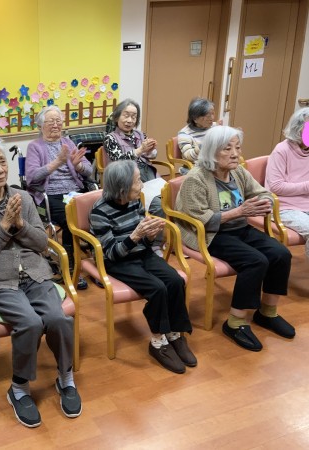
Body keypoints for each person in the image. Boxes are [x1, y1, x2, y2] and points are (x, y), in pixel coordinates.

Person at [0, 136, 81, 428]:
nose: (0, 169)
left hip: (34, 273)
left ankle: (65, 377)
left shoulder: (23, 198)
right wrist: (4, 226)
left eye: (2, 162)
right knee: (29, 322)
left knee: (58, 318)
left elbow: (41, 243)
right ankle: (18, 387)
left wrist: (20, 224)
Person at [175, 125, 295, 351]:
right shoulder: (196, 179)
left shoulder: (238, 171)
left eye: (237, 148)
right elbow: (200, 220)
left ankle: (267, 313)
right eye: (227, 148)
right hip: (212, 234)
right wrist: (239, 211)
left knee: (281, 254)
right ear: (212, 151)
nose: (234, 154)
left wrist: (265, 202)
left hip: (240, 228)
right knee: (255, 261)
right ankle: (235, 322)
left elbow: (262, 192)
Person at [89, 160, 195, 373]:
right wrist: (135, 236)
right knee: (157, 288)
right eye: (137, 181)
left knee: (175, 280)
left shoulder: (135, 201)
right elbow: (111, 253)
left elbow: (144, 241)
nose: (142, 185)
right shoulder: (99, 213)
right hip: (117, 262)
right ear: (122, 187)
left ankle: (174, 333)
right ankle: (157, 342)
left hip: (141, 253)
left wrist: (150, 236)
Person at [25, 105, 93, 290]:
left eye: (58, 121)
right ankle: (70, 268)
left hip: (75, 192)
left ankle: (97, 264)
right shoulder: (34, 147)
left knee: (98, 212)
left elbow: (89, 170)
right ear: (41, 126)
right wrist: (58, 162)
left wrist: (78, 166)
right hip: (51, 195)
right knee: (71, 219)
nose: (56, 125)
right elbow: (32, 177)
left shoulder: (69, 143)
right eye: (51, 121)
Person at [103, 98, 164, 216]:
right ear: (117, 117)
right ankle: (155, 226)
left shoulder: (140, 134)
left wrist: (150, 151)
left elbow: (152, 155)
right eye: (126, 116)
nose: (129, 120)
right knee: (159, 205)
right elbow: (119, 161)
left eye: (134, 117)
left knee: (170, 197)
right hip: (127, 178)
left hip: (148, 173)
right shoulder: (110, 138)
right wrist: (140, 150)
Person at [265, 107, 309, 259]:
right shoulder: (281, 150)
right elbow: (276, 186)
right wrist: (307, 186)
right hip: (284, 206)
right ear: (298, 129)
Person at [177, 97, 218, 165]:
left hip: (214, 165)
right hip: (195, 167)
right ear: (195, 118)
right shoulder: (185, 134)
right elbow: (188, 156)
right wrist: (202, 146)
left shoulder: (215, 127)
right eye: (208, 116)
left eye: (213, 113)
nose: (212, 118)